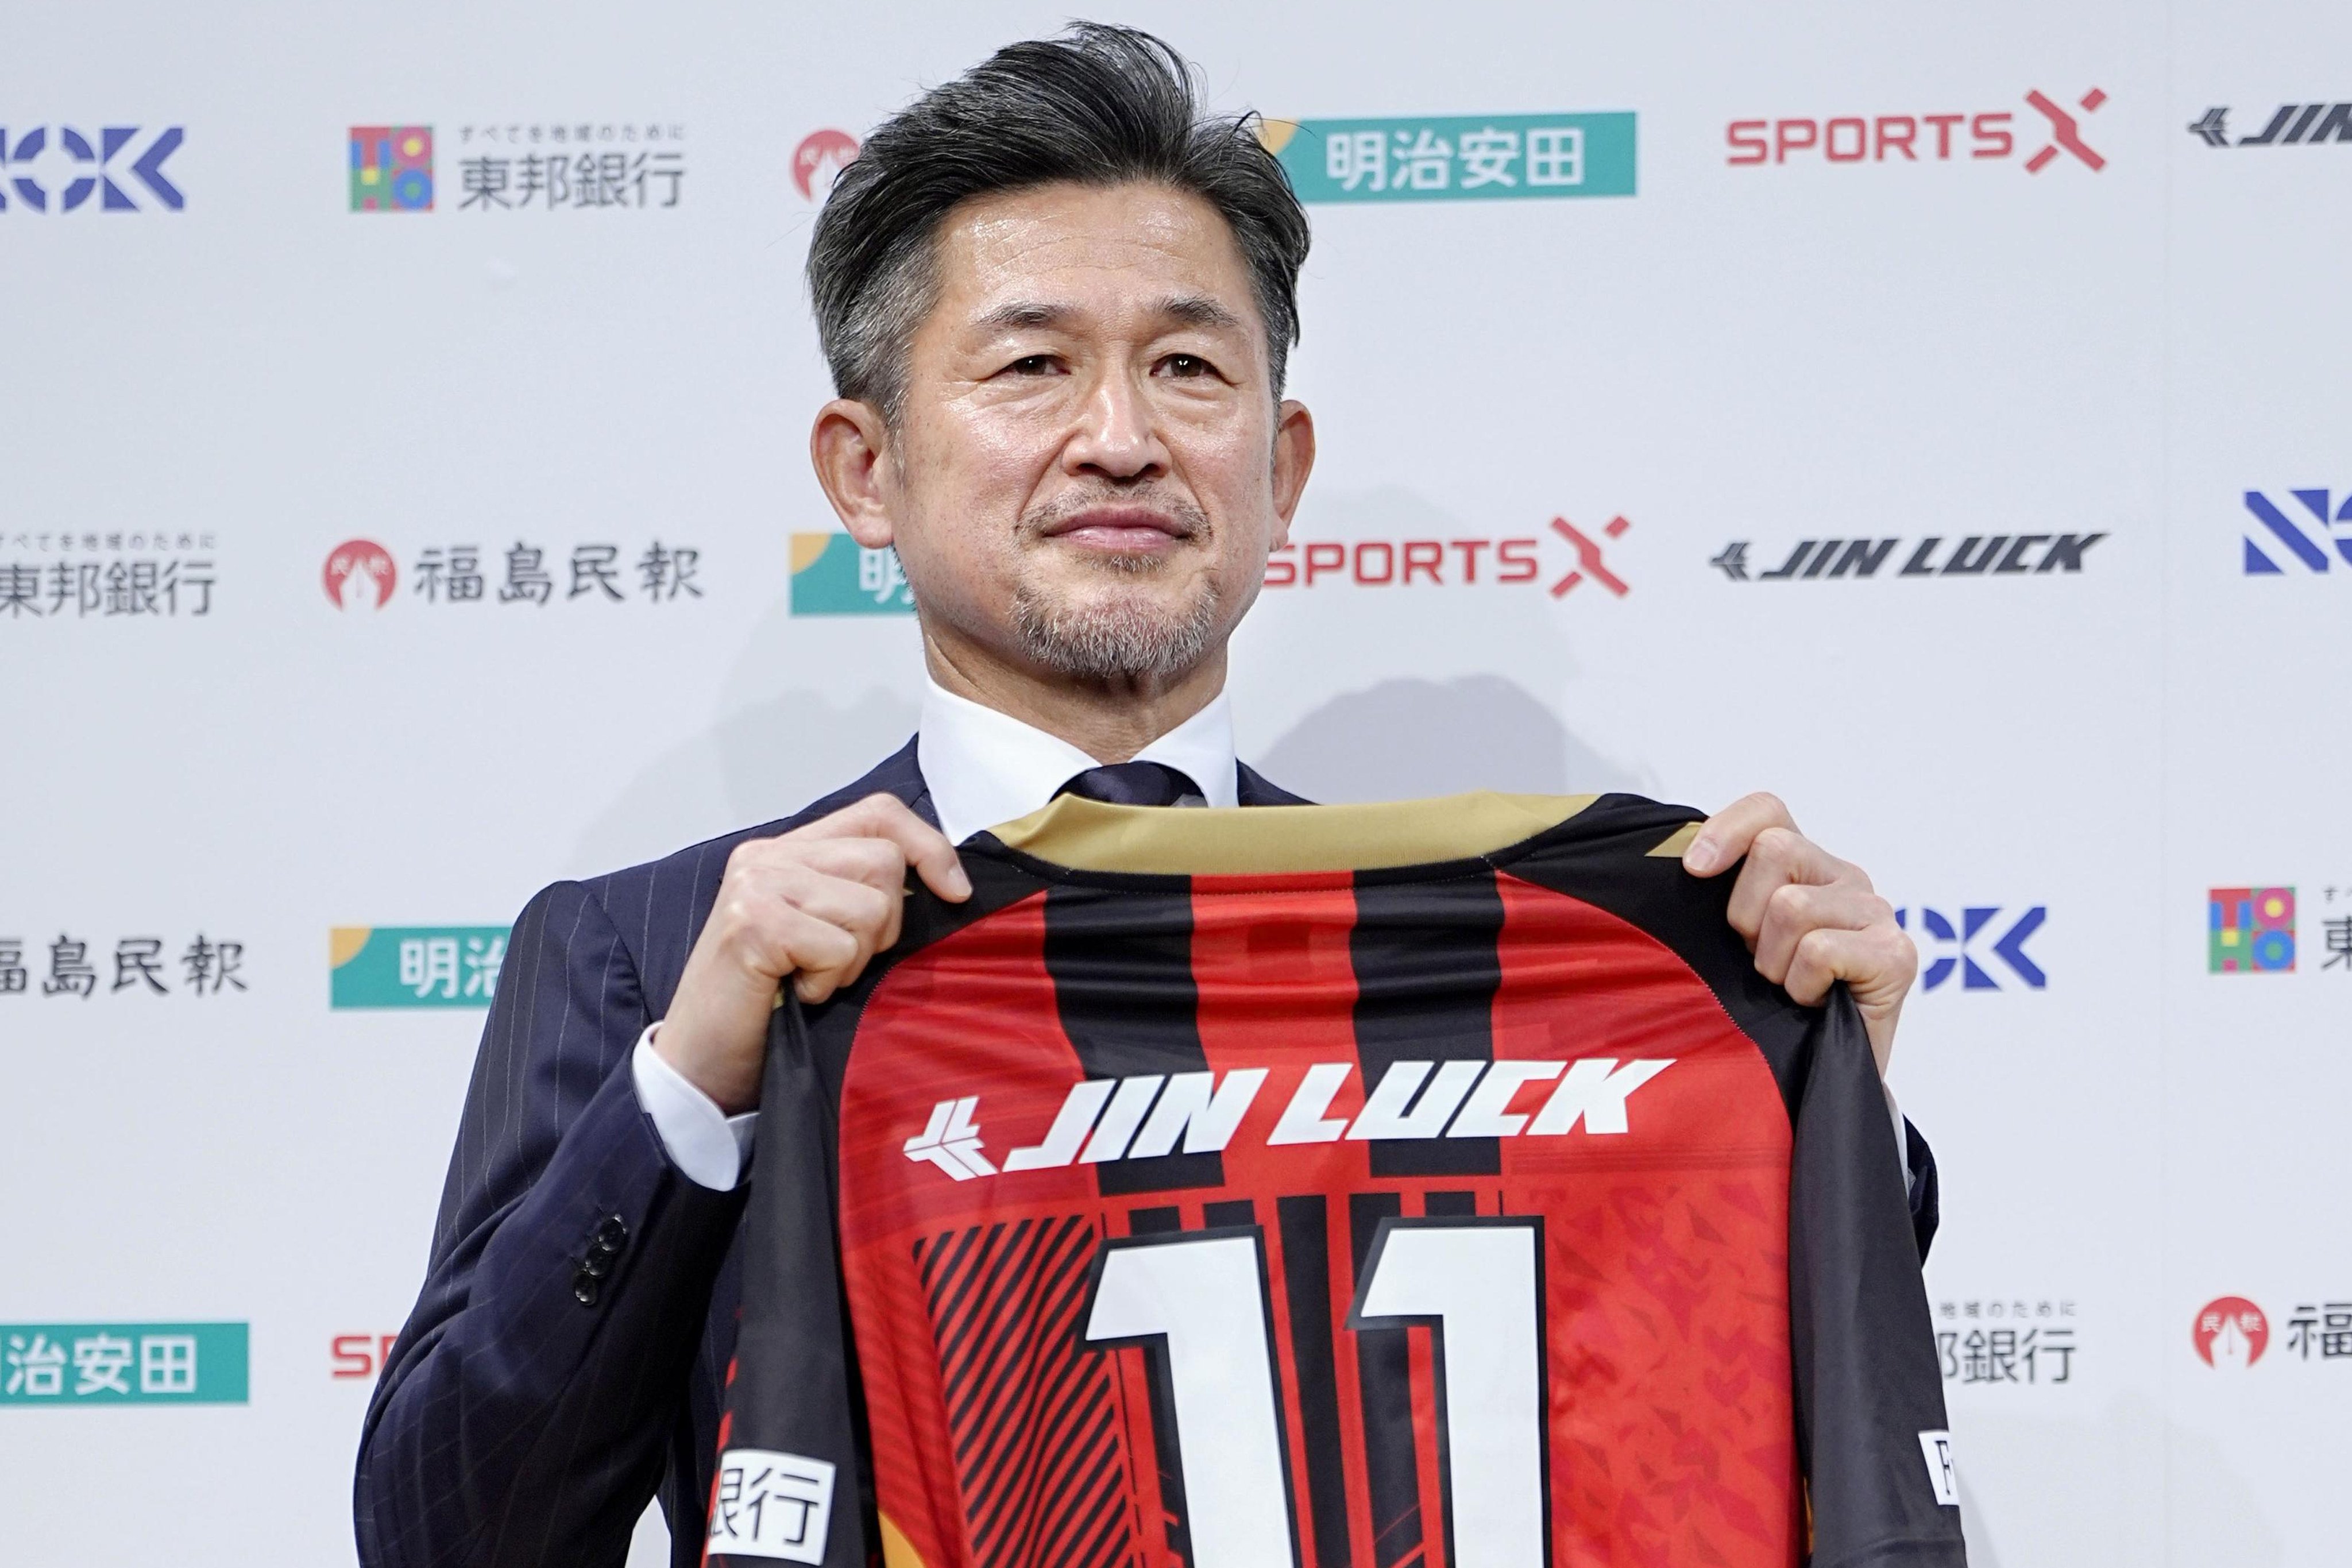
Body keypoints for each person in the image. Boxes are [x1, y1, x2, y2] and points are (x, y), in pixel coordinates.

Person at [353, 25, 1935, 1567]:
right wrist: (692, 1089)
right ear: (864, 470)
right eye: (1032, 366)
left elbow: (1705, 1429)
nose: (1119, 440)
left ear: (1282, 466)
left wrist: (1804, 1083)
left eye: (1187, 367)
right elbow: (447, 1535)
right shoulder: (655, 948)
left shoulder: (1518, 955)